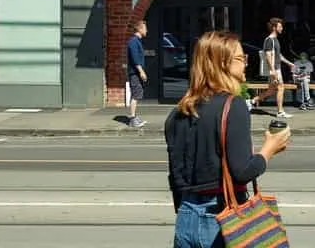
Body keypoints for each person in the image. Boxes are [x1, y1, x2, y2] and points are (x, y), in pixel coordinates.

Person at [165, 30, 289, 247]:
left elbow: (176, 177)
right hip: (221, 218)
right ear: (223, 63)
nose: (246, 64)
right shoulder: (234, 106)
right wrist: (269, 149)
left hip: (185, 217)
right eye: (241, 58)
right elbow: (242, 172)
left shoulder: (178, 112)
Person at [253, 17, 296, 118]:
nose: (282, 28)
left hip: (276, 68)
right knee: (281, 88)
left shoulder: (275, 40)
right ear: (274, 27)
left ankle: (251, 101)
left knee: (271, 90)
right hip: (274, 69)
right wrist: (272, 71)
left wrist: (289, 63)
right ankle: (280, 112)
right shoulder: (269, 40)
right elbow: (268, 55)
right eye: (280, 26)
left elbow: (278, 55)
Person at [126, 19, 148, 128]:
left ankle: (134, 117)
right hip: (135, 73)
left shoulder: (137, 41)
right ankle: (132, 118)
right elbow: (135, 59)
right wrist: (141, 71)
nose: (147, 31)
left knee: (137, 94)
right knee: (135, 95)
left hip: (136, 73)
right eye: (145, 28)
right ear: (139, 29)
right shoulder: (133, 42)